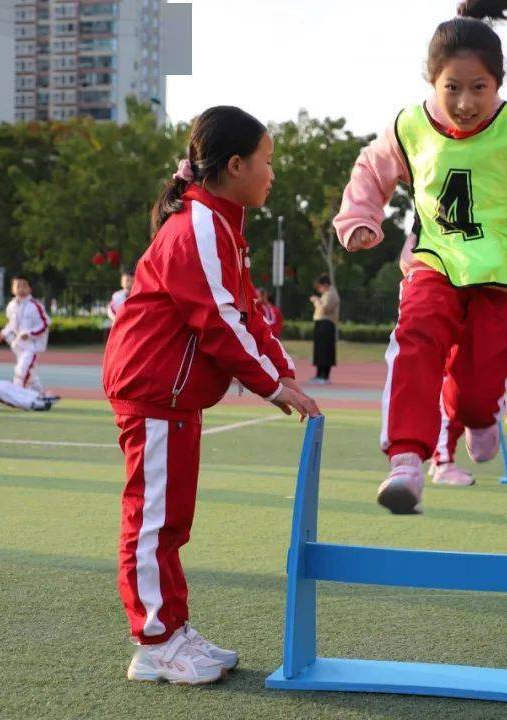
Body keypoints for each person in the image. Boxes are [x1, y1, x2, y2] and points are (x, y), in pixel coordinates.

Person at [333, 0, 507, 514]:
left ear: (499, 84)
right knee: (416, 339)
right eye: (452, 87)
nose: (465, 101)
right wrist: (361, 218)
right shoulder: (409, 128)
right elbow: (371, 169)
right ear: (431, 81)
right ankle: (407, 461)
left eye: (479, 88)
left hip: (503, 277)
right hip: (435, 261)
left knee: (476, 393)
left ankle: (478, 416)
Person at [102, 106, 320, 686]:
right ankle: (153, 641)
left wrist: (284, 371)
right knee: (152, 523)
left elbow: (248, 309)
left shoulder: (223, 225)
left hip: (174, 397)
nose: (272, 173)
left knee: (171, 520)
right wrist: (272, 387)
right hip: (153, 390)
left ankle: (172, 630)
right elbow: (218, 320)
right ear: (234, 164)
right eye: (267, 161)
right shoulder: (199, 224)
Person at [0, 276, 49, 394]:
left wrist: (29, 334)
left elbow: (45, 324)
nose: (21, 289)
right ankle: (40, 394)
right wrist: (3, 333)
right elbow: (12, 324)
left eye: (24, 286)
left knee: (21, 370)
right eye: (18, 286)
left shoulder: (36, 306)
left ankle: (17, 394)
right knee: (30, 372)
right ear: (13, 289)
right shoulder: (11, 306)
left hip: (33, 346)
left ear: (30, 289)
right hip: (18, 345)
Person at [309, 274, 339, 382]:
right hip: (321, 324)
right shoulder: (326, 294)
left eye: (319, 287)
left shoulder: (331, 294)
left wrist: (316, 301)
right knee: (319, 350)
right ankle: (319, 374)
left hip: (326, 324)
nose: (319, 290)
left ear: (325, 285)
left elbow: (325, 309)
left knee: (325, 350)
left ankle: (324, 375)